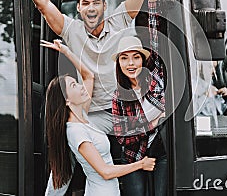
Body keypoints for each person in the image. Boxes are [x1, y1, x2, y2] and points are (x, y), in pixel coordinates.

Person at [2, 0, 161, 133]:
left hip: (125, 109)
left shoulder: (120, 19)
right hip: (93, 115)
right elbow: (43, 4)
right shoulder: (71, 30)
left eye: (96, 3)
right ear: (78, 8)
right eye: (85, 3)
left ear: (104, 6)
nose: (91, 8)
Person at [41, 39, 156, 196]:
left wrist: (66, 52)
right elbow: (105, 172)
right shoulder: (76, 132)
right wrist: (141, 164)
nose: (81, 86)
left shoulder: (83, 116)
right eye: (74, 85)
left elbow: (88, 76)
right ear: (66, 100)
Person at [111, 0, 167, 195]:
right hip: (133, 156)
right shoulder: (118, 97)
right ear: (119, 64)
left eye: (136, 57)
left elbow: (155, 38)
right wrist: (153, 121)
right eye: (125, 58)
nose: (131, 63)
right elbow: (122, 137)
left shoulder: (155, 76)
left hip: (160, 151)